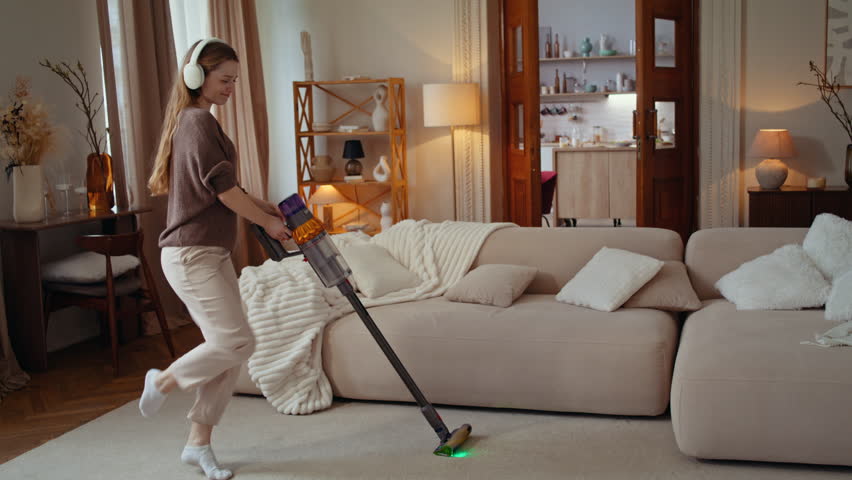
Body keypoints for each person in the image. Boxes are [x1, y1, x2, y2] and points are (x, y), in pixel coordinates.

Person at [139, 38, 290, 480]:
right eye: (225, 80)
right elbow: (223, 192)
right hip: (190, 256)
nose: (231, 88)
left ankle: (198, 445)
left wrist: (262, 206)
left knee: (234, 347)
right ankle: (162, 381)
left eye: (234, 81)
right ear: (196, 77)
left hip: (210, 253)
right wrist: (269, 225)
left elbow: (224, 188)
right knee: (235, 342)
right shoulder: (196, 123)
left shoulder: (202, 122)